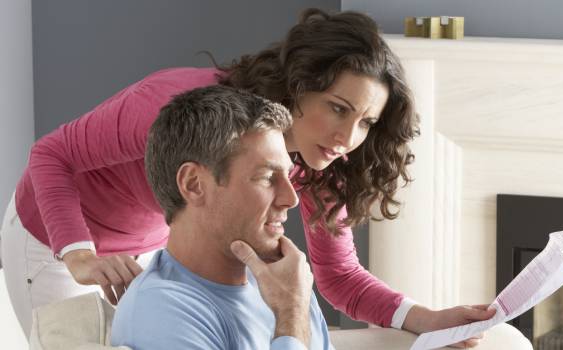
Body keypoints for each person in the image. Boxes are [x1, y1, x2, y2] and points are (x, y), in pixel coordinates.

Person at [0, 8, 494, 345]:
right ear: (299, 85)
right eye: (338, 109)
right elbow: (51, 155)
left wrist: (422, 320)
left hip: (153, 234)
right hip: (56, 233)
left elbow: (340, 277)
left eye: (365, 122)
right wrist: (79, 255)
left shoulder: (320, 160)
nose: (348, 136)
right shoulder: (179, 111)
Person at [110, 85, 330, 349]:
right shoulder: (160, 312)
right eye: (267, 177)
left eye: (288, 176)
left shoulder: (286, 281)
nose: (291, 198)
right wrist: (291, 313)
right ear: (194, 185)